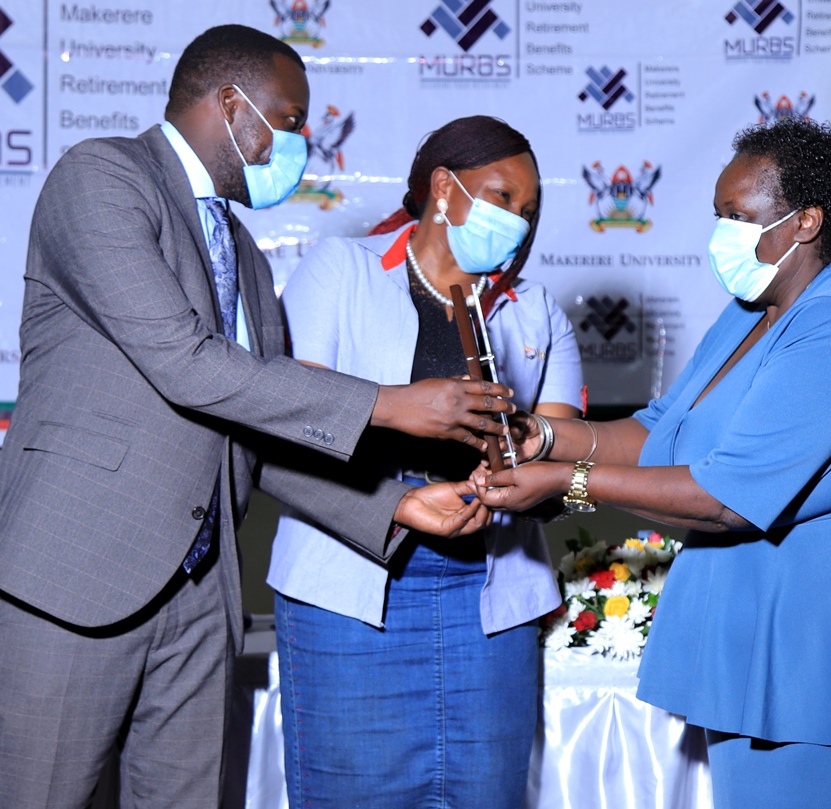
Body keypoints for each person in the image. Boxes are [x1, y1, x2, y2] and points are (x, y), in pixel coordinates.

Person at [0, 25, 515, 808]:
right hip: (76, 581)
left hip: (203, 592)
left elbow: (255, 426)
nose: (302, 143)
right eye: (292, 119)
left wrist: (395, 502)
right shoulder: (102, 177)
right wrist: (390, 404)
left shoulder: (244, 250)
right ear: (232, 105)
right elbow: (184, 363)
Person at [472, 118, 831, 807]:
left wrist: (567, 483)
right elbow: (662, 433)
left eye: (739, 216)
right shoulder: (753, 309)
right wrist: (545, 440)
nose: (721, 233)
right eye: (717, 215)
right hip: (773, 619)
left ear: (806, 222)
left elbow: (725, 496)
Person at [267, 116, 582, 808]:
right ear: (444, 187)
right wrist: (398, 428)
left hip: (491, 600)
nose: (517, 223)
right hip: (349, 591)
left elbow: (570, 469)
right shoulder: (340, 270)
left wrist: (525, 470)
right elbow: (287, 430)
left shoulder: (535, 312)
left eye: (528, 212)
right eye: (501, 198)